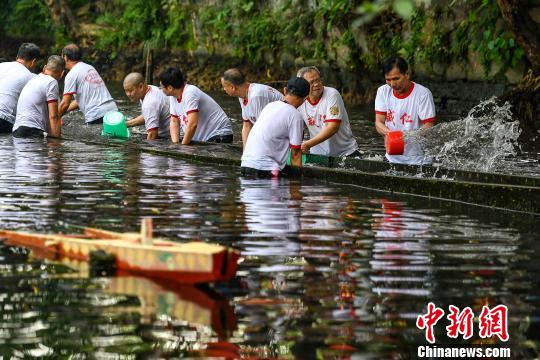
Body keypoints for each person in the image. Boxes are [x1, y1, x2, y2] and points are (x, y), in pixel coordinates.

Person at [241, 77, 310, 177]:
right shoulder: (295, 116)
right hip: (266, 170)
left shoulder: (269, 106)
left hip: (245, 164)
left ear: (285, 90)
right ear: (305, 98)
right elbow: (295, 155)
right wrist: (296, 186)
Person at [374, 56, 436, 165]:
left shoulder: (423, 94)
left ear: (407, 74)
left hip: (419, 160)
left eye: (396, 79)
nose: (392, 84)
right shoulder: (383, 91)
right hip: (391, 157)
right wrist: (390, 134)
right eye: (388, 80)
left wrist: (405, 137)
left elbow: (429, 126)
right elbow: (379, 122)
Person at [159, 67, 233, 145]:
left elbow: (193, 124)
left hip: (219, 134)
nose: (160, 89)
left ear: (170, 88)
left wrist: (183, 147)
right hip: (204, 138)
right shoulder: (173, 96)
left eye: (162, 87)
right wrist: (175, 145)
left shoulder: (190, 93)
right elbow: (174, 121)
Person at [296, 66, 358, 157]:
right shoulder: (300, 100)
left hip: (345, 152)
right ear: (302, 85)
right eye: (311, 82)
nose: (316, 84)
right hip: (317, 154)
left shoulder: (332, 94)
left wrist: (307, 144)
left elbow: (333, 128)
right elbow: (296, 127)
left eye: (318, 80)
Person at [221, 68, 283, 147]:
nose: (224, 89)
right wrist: (245, 153)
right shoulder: (242, 95)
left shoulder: (256, 96)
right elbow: (247, 125)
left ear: (232, 87)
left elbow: (262, 128)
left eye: (224, 86)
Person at [58, 44, 117, 124]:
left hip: (96, 115)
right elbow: (82, 99)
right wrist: (63, 112)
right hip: (113, 110)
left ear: (65, 57)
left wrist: (54, 118)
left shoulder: (71, 75)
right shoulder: (90, 68)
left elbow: (65, 103)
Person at [12, 55, 64, 138]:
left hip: (17, 131)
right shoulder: (52, 82)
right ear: (62, 73)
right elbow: (53, 116)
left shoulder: (33, 79)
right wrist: (56, 143)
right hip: (32, 131)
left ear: (44, 68)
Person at [0, 43, 40, 133]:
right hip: (3, 120)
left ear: (17, 56)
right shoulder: (31, 77)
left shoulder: (1, 66)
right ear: (33, 62)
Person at [123, 72, 171, 140]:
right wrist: (126, 124)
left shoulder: (149, 103)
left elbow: (152, 135)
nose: (128, 94)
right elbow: (149, 115)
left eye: (130, 91)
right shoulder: (151, 89)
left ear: (141, 87)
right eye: (126, 91)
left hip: (173, 139)